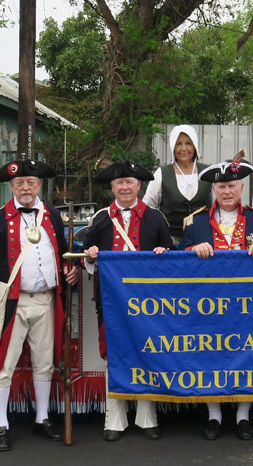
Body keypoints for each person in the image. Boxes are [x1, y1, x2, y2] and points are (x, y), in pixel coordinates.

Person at [0, 159, 80, 451]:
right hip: (12, 303)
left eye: (31, 182)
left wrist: (67, 269)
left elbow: (59, 252)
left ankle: (42, 418)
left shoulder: (53, 216)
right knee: (3, 364)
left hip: (47, 300)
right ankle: (1, 424)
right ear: (11, 186)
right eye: (20, 182)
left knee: (45, 361)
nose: (26, 187)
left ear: (39, 186)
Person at [179, 159, 253, 441]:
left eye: (232, 185)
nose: (227, 191)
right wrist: (193, 248)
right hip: (207, 303)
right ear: (214, 189)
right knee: (211, 356)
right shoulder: (195, 221)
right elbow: (179, 260)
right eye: (221, 186)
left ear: (241, 187)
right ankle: (214, 415)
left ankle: (244, 415)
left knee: (248, 356)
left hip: (251, 302)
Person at [83, 161, 172, 442]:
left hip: (149, 303)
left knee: (147, 353)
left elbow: (170, 257)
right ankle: (115, 419)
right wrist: (91, 254)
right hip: (110, 301)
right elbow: (85, 255)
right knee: (114, 356)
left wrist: (163, 253)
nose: (125, 187)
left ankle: (147, 418)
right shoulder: (99, 218)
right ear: (112, 188)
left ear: (139, 186)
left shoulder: (156, 218)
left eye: (130, 182)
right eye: (119, 183)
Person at [143, 125, 213, 243]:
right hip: (170, 242)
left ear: (195, 146)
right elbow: (148, 207)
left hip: (203, 241)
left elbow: (217, 207)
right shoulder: (162, 173)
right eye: (179, 144)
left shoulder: (207, 172)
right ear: (173, 147)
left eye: (188, 143)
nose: (184, 148)